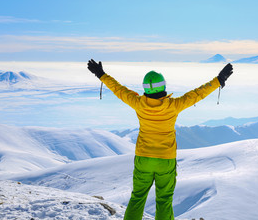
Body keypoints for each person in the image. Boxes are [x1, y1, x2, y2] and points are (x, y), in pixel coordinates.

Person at [87, 60, 233, 220]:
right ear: (163, 86)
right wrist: (219, 80)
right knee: (164, 200)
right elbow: (197, 94)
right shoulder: (173, 106)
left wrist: (100, 74)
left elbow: (118, 89)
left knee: (137, 198)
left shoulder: (138, 104)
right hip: (165, 160)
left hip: (143, 159)